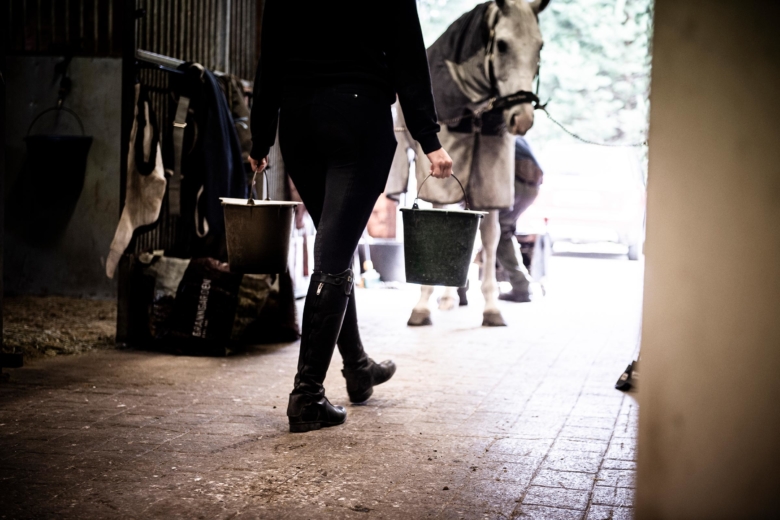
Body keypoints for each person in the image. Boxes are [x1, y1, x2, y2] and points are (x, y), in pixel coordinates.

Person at [249, 0, 453, 433]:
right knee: (334, 254)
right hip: (358, 119)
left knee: (334, 247)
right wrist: (429, 139)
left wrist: (260, 137)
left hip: (299, 122)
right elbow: (407, 57)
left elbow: (270, 58)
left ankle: (358, 367)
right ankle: (307, 397)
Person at [497, 137, 544, 303]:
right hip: (531, 185)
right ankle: (521, 286)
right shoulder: (518, 136)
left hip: (516, 181)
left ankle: (521, 287)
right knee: (503, 231)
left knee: (498, 233)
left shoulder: (497, 131)